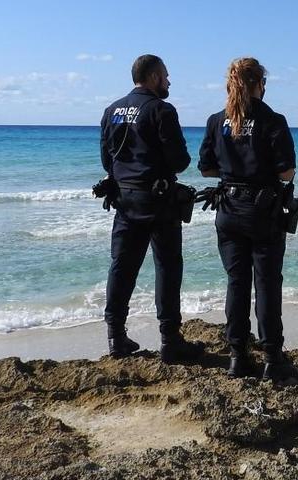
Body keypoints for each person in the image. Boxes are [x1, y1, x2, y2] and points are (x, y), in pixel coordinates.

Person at [198, 57, 297, 381]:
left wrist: (233, 167)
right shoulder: (273, 120)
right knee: (267, 285)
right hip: (262, 212)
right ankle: (272, 357)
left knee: (236, 283)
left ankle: (237, 356)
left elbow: (206, 168)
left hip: (228, 209)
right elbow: (286, 171)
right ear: (259, 84)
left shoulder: (217, 121)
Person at [99, 54, 203, 362]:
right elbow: (181, 162)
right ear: (154, 77)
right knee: (168, 268)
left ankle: (116, 337)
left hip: (124, 200)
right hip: (158, 202)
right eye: (166, 76)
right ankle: (170, 340)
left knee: (122, 267)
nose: (169, 82)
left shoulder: (112, 110)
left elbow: (107, 160)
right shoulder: (161, 110)